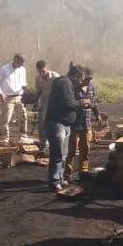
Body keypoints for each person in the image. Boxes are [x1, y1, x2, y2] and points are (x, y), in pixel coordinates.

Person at [43, 63, 92, 191]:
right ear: (76, 76)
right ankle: (54, 181)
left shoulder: (67, 83)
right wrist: (82, 102)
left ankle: (61, 178)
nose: (80, 82)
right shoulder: (64, 83)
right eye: (80, 79)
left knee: (63, 155)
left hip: (64, 124)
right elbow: (68, 103)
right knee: (57, 154)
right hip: (57, 123)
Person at [65, 66, 99, 181]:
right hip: (75, 124)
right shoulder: (73, 87)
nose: (88, 81)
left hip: (87, 123)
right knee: (72, 150)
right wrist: (81, 103)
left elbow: (94, 102)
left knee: (85, 150)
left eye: (90, 79)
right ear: (81, 77)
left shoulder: (91, 87)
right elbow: (69, 104)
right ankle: (67, 174)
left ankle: (83, 172)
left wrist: (97, 114)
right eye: (86, 79)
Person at [0, 53, 29, 144]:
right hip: (8, 98)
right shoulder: (4, 69)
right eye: (21, 62)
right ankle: (5, 138)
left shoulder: (22, 70)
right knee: (6, 119)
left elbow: (23, 82)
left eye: (23, 63)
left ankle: (23, 137)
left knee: (23, 117)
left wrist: (25, 87)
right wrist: (1, 93)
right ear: (15, 60)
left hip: (19, 97)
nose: (22, 65)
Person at [33, 60, 60, 153]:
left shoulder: (55, 77)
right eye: (39, 71)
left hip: (56, 105)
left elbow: (62, 91)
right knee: (42, 126)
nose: (41, 73)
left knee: (55, 126)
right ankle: (44, 145)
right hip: (44, 105)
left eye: (43, 71)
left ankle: (56, 146)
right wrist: (36, 102)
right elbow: (39, 92)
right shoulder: (38, 78)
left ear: (47, 68)